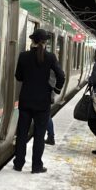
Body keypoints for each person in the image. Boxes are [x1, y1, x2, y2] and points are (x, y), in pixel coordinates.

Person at [14, 29, 65, 173]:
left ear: (33, 41)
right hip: (43, 102)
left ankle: (18, 163)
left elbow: (18, 76)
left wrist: (29, 79)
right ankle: (36, 166)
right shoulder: (50, 57)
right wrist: (56, 90)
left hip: (26, 100)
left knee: (22, 134)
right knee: (39, 135)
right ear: (45, 42)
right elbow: (61, 76)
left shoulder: (23, 56)